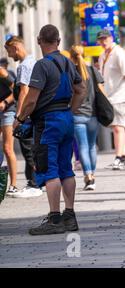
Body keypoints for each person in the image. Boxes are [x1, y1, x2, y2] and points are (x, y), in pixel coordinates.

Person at [13, 24, 86, 235]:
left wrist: (19, 118)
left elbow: (31, 99)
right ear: (59, 41)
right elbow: (81, 90)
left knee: (49, 169)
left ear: (39, 41)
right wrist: (69, 110)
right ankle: (69, 216)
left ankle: (54, 218)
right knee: (66, 168)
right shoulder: (68, 62)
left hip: (47, 122)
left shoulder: (41, 66)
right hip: (66, 118)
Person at [3, 35, 43, 198]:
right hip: (33, 111)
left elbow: (24, 92)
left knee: (28, 149)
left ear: (16, 47)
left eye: (9, 51)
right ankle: (34, 182)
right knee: (31, 147)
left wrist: (18, 116)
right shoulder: (32, 62)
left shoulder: (24, 66)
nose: (9, 56)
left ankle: (34, 184)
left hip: (26, 112)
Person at [97, 29, 125, 170]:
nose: (103, 42)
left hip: (121, 95)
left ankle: (120, 157)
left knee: (118, 127)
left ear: (111, 38)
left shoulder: (119, 53)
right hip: (110, 97)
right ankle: (121, 157)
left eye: (105, 39)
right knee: (116, 127)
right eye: (100, 39)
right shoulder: (102, 55)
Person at [69, 45, 105, 191]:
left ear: (71, 57)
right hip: (93, 115)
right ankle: (93, 176)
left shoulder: (70, 72)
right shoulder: (93, 70)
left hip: (76, 115)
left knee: (82, 146)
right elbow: (102, 91)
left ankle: (88, 176)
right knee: (91, 147)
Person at [0, 60, 17, 195]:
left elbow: (16, 89)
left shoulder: (2, 72)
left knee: (7, 148)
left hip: (8, 110)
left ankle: (13, 185)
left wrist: (5, 102)